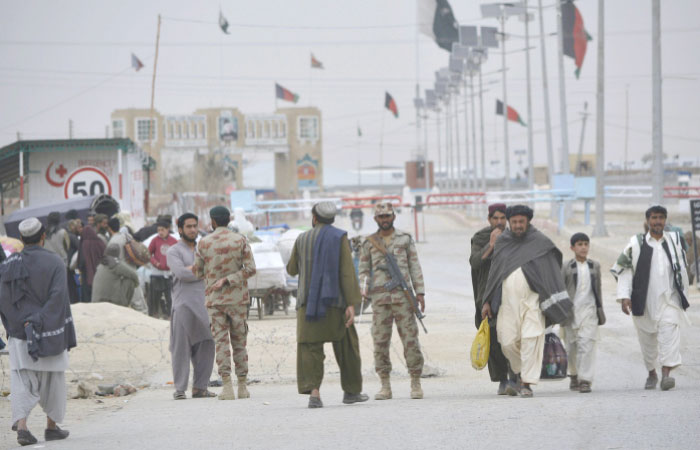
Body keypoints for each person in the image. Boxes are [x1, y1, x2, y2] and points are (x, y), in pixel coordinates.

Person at [481, 205, 573, 398]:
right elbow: (495, 274)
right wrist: (487, 301)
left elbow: (551, 271)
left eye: (521, 222)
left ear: (528, 221)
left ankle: (527, 383)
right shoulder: (503, 242)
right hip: (507, 304)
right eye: (514, 222)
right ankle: (518, 371)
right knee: (507, 342)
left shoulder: (540, 243)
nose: (517, 225)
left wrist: (552, 299)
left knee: (532, 340)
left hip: (533, 303)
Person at [0, 217, 76, 446]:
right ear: (43, 237)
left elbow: (4, 300)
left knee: (22, 380)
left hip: (20, 333)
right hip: (50, 332)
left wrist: (20, 324)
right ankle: (51, 427)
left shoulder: (8, 264)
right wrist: (41, 321)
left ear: (22, 239)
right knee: (53, 379)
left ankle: (22, 426)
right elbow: (58, 297)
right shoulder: (54, 263)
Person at [287, 201, 368, 408]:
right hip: (335, 303)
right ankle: (351, 392)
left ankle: (314, 394)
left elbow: (292, 270)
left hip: (307, 305)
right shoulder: (340, 237)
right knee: (347, 346)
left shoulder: (302, 238)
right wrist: (351, 303)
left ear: (314, 218)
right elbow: (347, 271)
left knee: (310, 348)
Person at [612, 205, 690, 391]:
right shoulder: (636, 243)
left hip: (669, 300)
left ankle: (666, 375)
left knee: (669, 334)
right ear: (647, 221)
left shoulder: (674, 241)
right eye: (654, 217)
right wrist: (624, 296)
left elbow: (684, 267)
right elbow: (624, 270)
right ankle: (651, 373)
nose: (657, 221)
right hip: (644, 301)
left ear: (665, 220)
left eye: (661, 218)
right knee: (647, 342)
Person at [358, 202, 426, 400]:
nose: (384, 220)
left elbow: (414, 266)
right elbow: (363, 270)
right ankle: (385, 384)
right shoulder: (369, 242)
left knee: (410, 341)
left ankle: (415, 381)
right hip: (380, 300)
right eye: (381, 217)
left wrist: (420, 292)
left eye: (387, 216)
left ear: (393, 217)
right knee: (380, 342)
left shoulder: (404, 239)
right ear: (375, 219)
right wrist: (363, 289)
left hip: (403, 298)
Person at [194, 206, 256, 400]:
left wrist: (215, 277)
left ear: (212, 221)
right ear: (229, 220)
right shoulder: (240, 240)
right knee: (239, 342)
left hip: (215, 300)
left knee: (221, 343)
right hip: (237, 300)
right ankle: (243, 386)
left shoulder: (203, 243)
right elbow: (251, 269)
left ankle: (227, 386)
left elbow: (197, 272)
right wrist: (231, 278)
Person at [167, 213, 216, 400]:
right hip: (183, 306)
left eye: (195, 226)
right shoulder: (174, 251)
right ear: (180, 229)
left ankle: (200, 388)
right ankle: (180, 389)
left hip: (203, 305)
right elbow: (181, 273)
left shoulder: (202, 249)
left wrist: (195, 269)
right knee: (181, 349)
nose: (193, 230)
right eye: (188, 226)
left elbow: (214, 269)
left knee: (207, 345)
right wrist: (203, 270)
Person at [469, 203, 515, 395]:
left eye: (502, 218)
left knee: (512, 336)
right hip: (487, 293)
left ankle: (515, 376)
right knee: (494, 337)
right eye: (495, 218)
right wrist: (492, 244)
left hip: (511, 292)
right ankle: (502, 379)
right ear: (489, 220)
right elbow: (475, 262)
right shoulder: (480, 237)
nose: (499, 222)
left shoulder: (516, 238)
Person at [560, 232, 604, 393]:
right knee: (571, 347)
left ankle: (585, 380)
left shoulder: (595, 266)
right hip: (571, 313)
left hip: (590, 312)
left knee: (587, 344)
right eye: (579, 244)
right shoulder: (566, 266)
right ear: (572, 247)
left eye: (586, 244)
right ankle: (574, 374)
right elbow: (561, 288)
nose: (583, 247)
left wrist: (600, 311)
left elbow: (598, 290)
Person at [106, 217, 148, 314]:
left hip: (122, 278)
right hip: (133, 273)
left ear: (109, 228)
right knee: (139, 303)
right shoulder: (127, 237)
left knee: (125, 306)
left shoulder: (112, 242)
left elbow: (111, 264)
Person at [91, 244, 141, 310]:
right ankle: (125, 306)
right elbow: (133, 274)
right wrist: (136, 284)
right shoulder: (115, 264)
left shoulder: (101, 263)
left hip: (95, 300)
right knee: (130, 281)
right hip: (110, 301)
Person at [148, 221, 177, 318]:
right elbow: (148, 254)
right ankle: (155, 314)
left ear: (168, 229)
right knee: (155, 297)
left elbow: (178, 255)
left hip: (169, 273)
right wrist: (155, 262)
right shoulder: (155, 240)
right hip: (157, 273)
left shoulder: (174, 241)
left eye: (162, 230)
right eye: (158, 230)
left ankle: (170, 315)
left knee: (170, 297)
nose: (160, 232)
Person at [78, 225, 105, 304]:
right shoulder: (100, 242)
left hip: (87, 277)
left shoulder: (83, 244)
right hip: (101, 274)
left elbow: (81, 262)